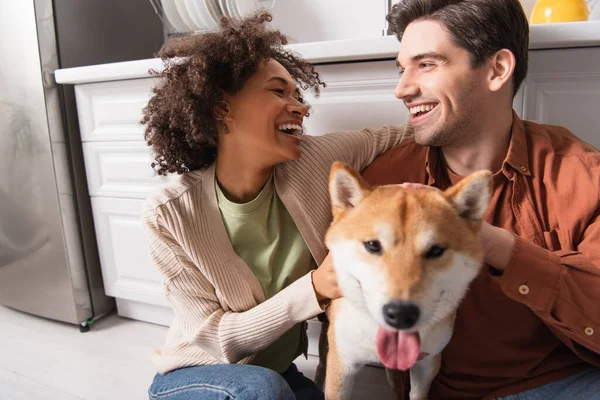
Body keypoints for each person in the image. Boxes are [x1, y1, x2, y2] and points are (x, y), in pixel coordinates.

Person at [140, 12, 410, 400]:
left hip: (279, 375)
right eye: (278, 92)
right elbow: (217, 340)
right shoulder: (168, 214)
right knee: (261, 390)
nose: (300, 107)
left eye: (298, 95)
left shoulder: (316, 160)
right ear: (221, 108)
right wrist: (315, 288)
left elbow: (403, 133)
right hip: (196, 373)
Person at [361, 1, 600, 399]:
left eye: (427, 64)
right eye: (402, 67)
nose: (402, 88)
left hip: (568, 383)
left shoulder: (582, 176)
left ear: (497, 70)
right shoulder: (384, 182)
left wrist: (491, 242)